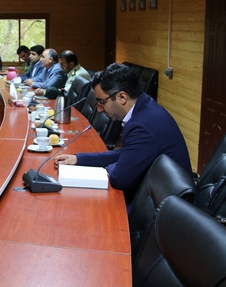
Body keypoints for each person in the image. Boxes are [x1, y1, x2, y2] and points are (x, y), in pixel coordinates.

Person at [55, 63, 192, 212]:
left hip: (168, 212)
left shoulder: (142, 125)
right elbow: (126, 154)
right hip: (159, 197)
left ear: (122, 97)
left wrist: (109, 168)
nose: (99, 109)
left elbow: (120, 178)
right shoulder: (144, 107)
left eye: (102, 102)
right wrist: (78, 159)